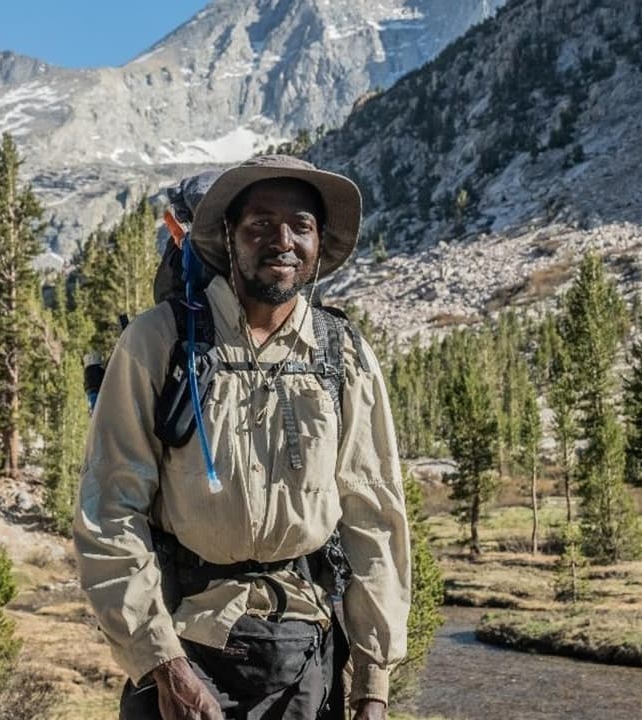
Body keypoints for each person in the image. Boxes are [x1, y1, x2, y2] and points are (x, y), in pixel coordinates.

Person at [75, 154, 410, 720]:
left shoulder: (343, 354)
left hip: (305, 660)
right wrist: (163, 665)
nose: (281, 240)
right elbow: (110, 512)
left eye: (300, 226)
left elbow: (373, 518)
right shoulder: (158, 343)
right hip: (185, 646)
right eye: (259, 224)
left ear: (318, 242)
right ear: (228, 237)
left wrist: (372, 685)